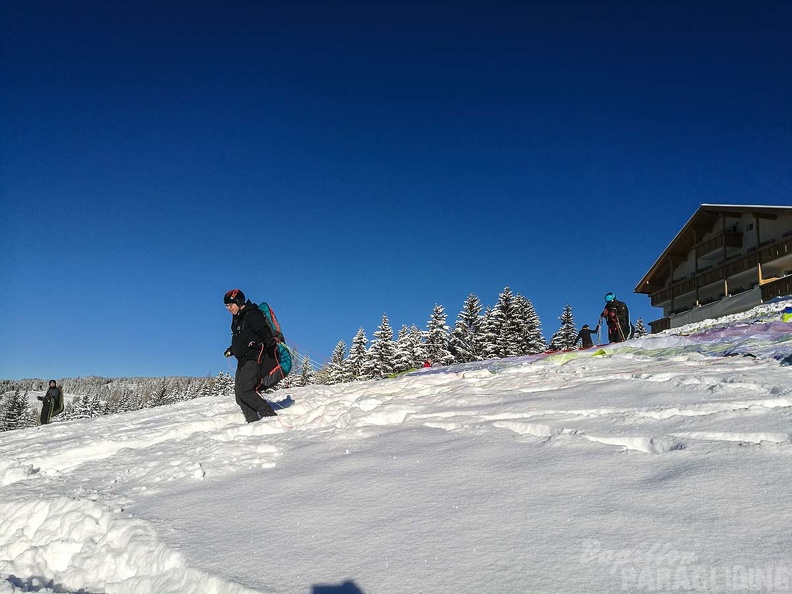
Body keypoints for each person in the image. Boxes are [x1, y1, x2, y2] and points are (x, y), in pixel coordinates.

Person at [223, 289, 280, 422]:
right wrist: (232, 349)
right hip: (242, 360)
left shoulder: (252, 314)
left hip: (253, 358)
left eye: (230, 305)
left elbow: (262, 330)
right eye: (226, 306)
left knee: (245, 391)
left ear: (239, 302)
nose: (228, 308)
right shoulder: (238, 319)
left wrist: (268, 339)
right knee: (239, 396)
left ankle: (270, 416)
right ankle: (253, 422)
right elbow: (242, 338)